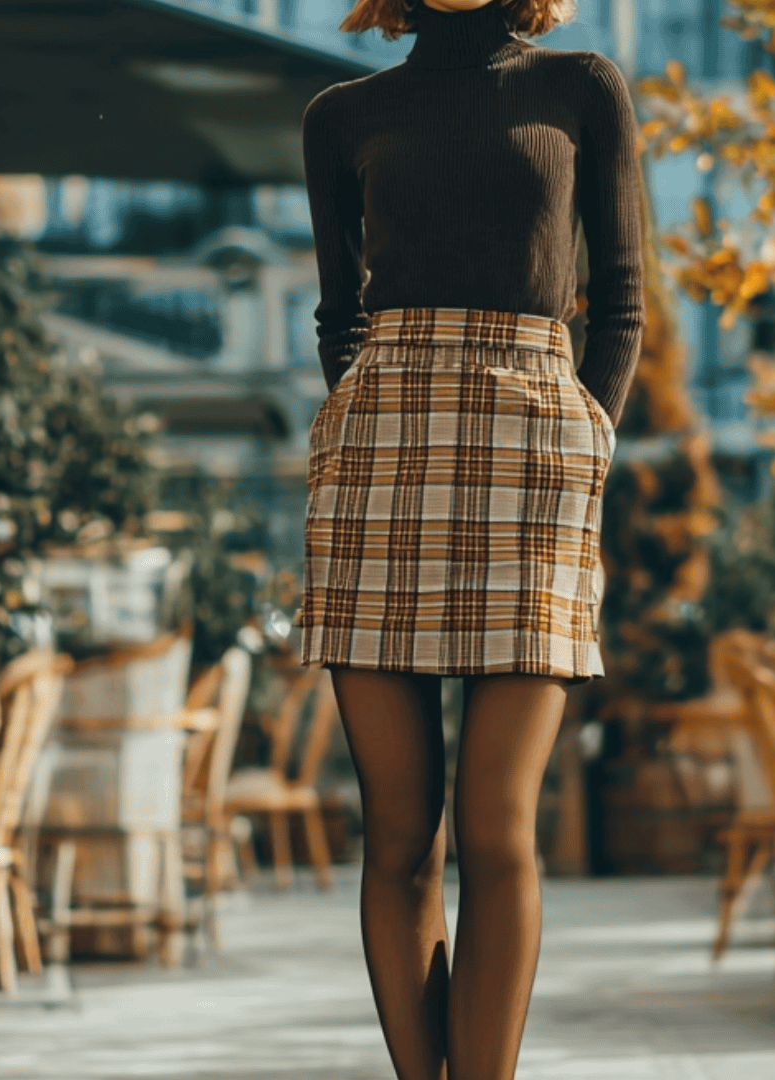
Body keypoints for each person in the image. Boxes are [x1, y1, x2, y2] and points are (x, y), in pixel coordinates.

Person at [293, 0, 644, 1076]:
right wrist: (365, 409)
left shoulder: (582, 87)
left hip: (534, 458)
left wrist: (588, 434)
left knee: (496, 828)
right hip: (381, 457)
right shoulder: (340, 114)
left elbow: (622, 298)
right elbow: (338, 314)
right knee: (401, 836)